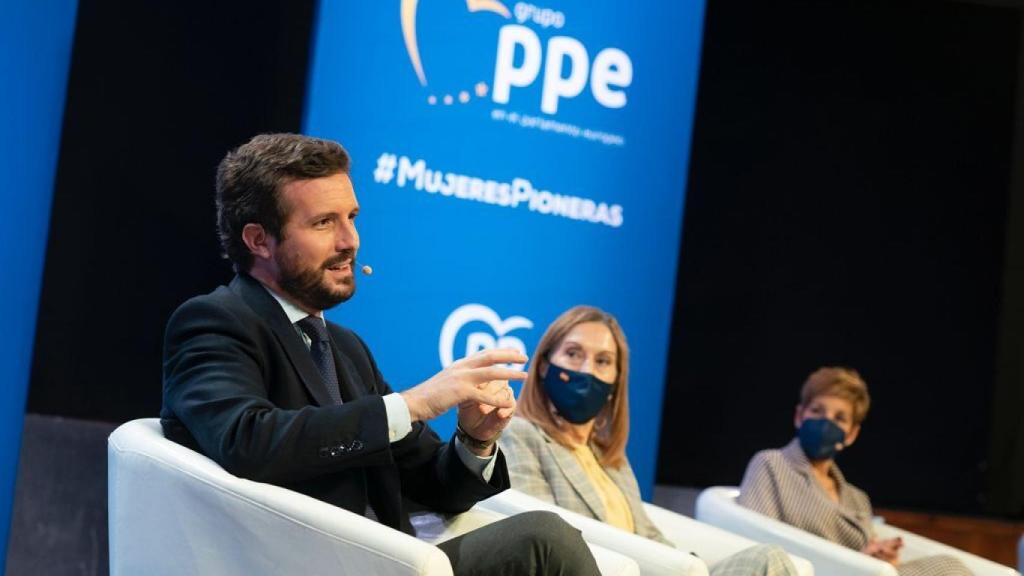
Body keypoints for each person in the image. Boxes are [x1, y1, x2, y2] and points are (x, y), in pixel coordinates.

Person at [160, 133, 600, 576]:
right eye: (323, 223)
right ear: (259, 240)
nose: (350, 241)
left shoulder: (345, 348)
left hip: (388, 560)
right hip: (299, 564)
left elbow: (434, 488)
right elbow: (247, 442)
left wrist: (475, 440)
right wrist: (413, 404)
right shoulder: (215, 321)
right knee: (544, 540)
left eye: (351, 218)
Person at [500, 305, 798, 576]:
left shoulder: (610, 458)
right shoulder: (521, 433)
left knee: (769, 559)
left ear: (615, 383)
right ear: (544, 365)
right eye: (573, 354)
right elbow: (543, 534)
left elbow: (647, 534)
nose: (587, 370)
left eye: (603, 361)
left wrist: (690, 565)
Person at [738, 367, 972, 575]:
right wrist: (853, 562)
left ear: (851, 434)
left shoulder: (857, 499)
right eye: (817, 411)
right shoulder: (771, 464)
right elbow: (756, 542)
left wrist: (880, 558)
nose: (826, 423)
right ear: (799, 416)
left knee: (950, 568)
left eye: (839, 418)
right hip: (808, 572)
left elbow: (868, 558)